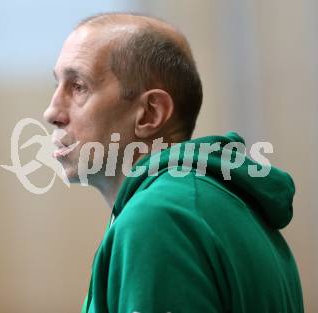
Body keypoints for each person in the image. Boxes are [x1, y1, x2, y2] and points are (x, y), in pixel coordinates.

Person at [43, 12, 304, 313]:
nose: (51, 112)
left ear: (150, 113)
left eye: (78, 86)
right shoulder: (219, 204)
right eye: (57, 85)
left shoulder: (158, 218)